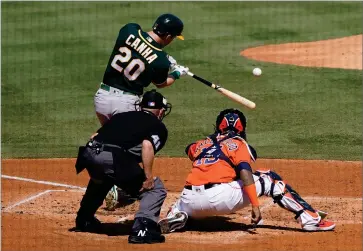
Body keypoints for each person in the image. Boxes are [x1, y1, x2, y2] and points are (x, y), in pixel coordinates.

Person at [157, 108, 336, 233]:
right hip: (220, 198)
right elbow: (245, 172)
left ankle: (177, 214)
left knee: (183, 199)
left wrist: (210, 143)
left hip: (189, 201)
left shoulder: (202, 144)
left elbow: (189, 149)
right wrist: (255, 205)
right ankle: (311, 220)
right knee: (270, 178)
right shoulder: (238, 143)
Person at [94, 13, 189, 210]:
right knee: (140, 145)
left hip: (102, 98)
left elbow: (140, 48)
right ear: (169, 36)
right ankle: (127, 186)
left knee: (109, 140)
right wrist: (177, 73)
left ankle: (99, 168)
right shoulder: (160, 61)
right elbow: (161, 83)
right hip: (126, 103)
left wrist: (162, 57)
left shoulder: (129, 29)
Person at [73, 90, 172, 244]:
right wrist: (148, 177)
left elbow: (94, 136)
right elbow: (147, 145)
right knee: (155, 189)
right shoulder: (157, 125)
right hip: (111, 157)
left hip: (88, 154)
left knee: (103, 178)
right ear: (160, 111)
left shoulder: (121, 116)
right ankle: (143, 229)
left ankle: (84, 219)